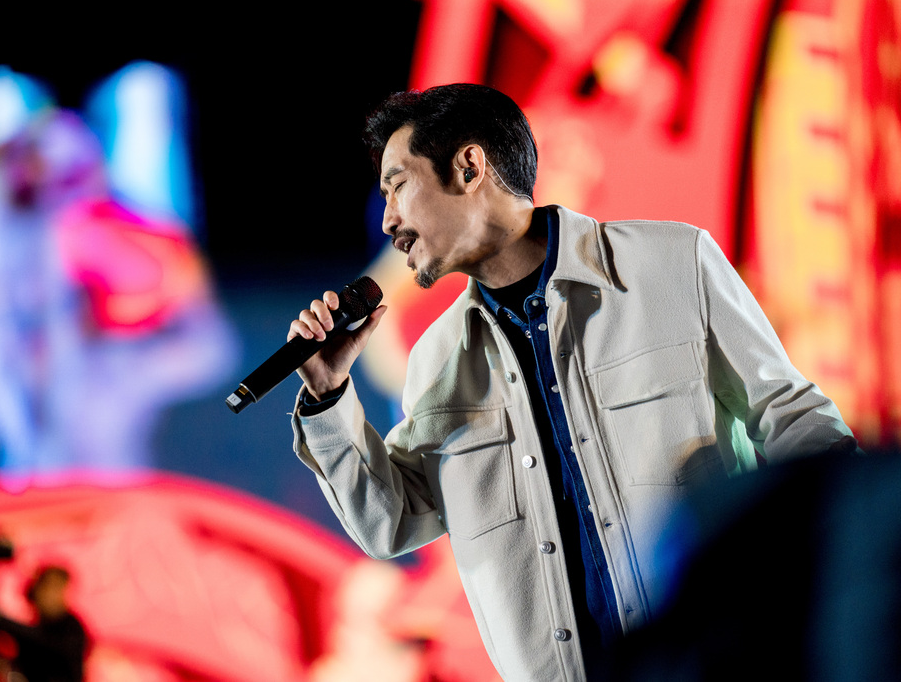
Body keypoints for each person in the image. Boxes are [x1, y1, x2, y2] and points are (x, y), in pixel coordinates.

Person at [287, 83, 857, 681]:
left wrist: (825, 581)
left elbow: (795, 419)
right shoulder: (436, 362)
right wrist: (328, 395)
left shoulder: (673, 263)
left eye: (398, 185)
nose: (389, 221)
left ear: (469, 166)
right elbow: (391, 523)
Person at [0, 565, 87, 682]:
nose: (46, 594)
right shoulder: (42, 625)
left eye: (54, 588)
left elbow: (44, 643)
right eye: (45, 587)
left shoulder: (72, 629)